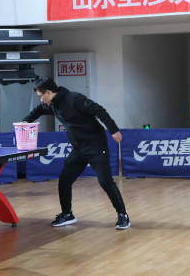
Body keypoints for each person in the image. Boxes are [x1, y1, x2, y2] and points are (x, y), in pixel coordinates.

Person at [22, 78, 130, 230]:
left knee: (105, 181)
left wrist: (113, 130)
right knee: (64, 180)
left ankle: (123, 215)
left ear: (48, 92)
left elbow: (99, 110)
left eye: (41, 96)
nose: (41, 99)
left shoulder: (74, 99)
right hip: (79, 149)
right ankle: (67, 214)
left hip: (96, 146)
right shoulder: (53, 104)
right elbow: (39, 110)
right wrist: (25, 122)